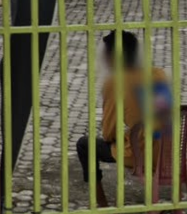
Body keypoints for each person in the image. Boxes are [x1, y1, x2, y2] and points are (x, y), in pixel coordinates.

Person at [75, 30, 176, 193]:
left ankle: (100, 203)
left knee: (84, 145)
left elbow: (109, 133)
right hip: (168, 151)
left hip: (140, 154)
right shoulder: (158, 73)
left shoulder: (115, 82)